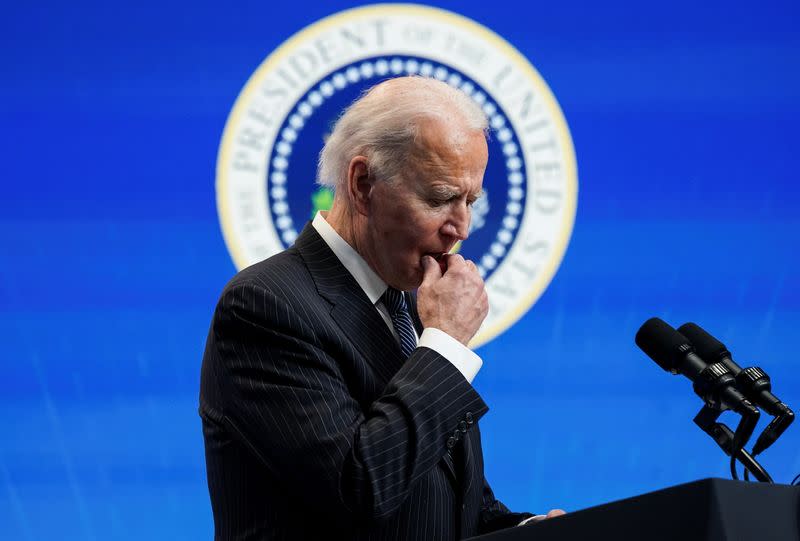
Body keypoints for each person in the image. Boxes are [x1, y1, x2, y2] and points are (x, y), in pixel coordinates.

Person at [200, 76, 563, 540]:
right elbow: (360, 491)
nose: (462, 228)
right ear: (363, 184)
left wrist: (533, 531)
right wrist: (447, 345)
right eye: (441, 198)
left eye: (470, 200)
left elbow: (448, 506)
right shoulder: (264, 306)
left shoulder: (410, 307)